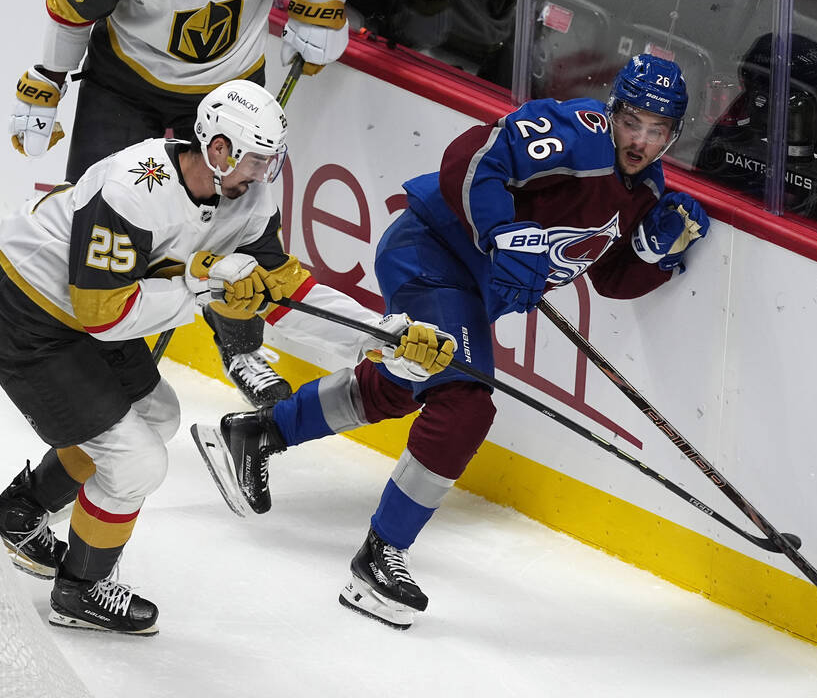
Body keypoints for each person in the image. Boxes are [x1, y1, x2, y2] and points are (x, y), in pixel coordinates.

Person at [190, 55, 710, 629]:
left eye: (657, 130)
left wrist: (653, 254)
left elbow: (608, 277)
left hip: (470, 291)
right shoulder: (579, 135)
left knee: (401, 383)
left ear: (674, 135)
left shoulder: (646, 190)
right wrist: (501, 231)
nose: (639, 140)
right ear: (613, 111)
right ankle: (380, 557)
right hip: (431, 254)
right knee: (465, 402)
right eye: (632, 121)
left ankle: (256, 433)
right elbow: (473, 158)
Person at [0, 79, 455, 635]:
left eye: (271, 164)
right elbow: (103, 313)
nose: (263, 176)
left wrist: (377, 338)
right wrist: (203, 289)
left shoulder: (246, 199)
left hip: (79, 316)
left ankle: (18, 513)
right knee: (136, 463)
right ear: (218, 149)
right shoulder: (135, 187)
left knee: (157, 415)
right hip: (21, 312)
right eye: (256, 161)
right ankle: (79, 591)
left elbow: (284, 293)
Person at [7, 0, 366, 408]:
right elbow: (71, 7)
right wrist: (46, 80)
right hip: (125, 85)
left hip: (230, 97)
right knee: (96, 215)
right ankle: (87, 342)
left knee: (241, 231)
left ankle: (242, 350)